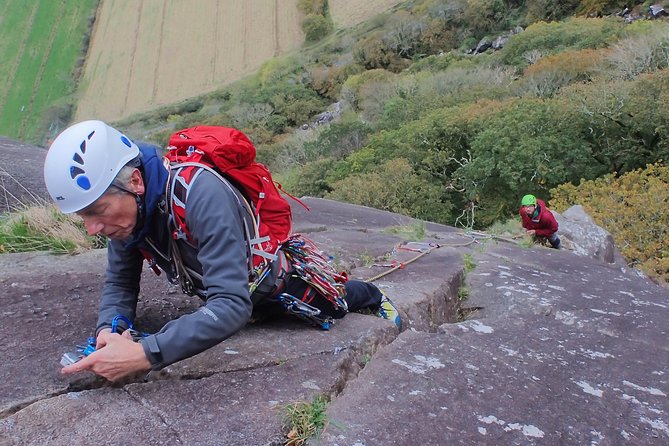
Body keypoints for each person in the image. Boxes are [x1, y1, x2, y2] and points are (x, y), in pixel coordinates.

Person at [44, 120, 401, 382]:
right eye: (83, 217)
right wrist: (111, 327)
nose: (92, 228)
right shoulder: (129, 218)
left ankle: (370, 294)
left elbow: (230, 307)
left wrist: (143, 354)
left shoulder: (200, 194)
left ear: (135, 181)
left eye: (96, 211)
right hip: (226, 289)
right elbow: (121, 284)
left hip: (272, 282)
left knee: (333, 304)